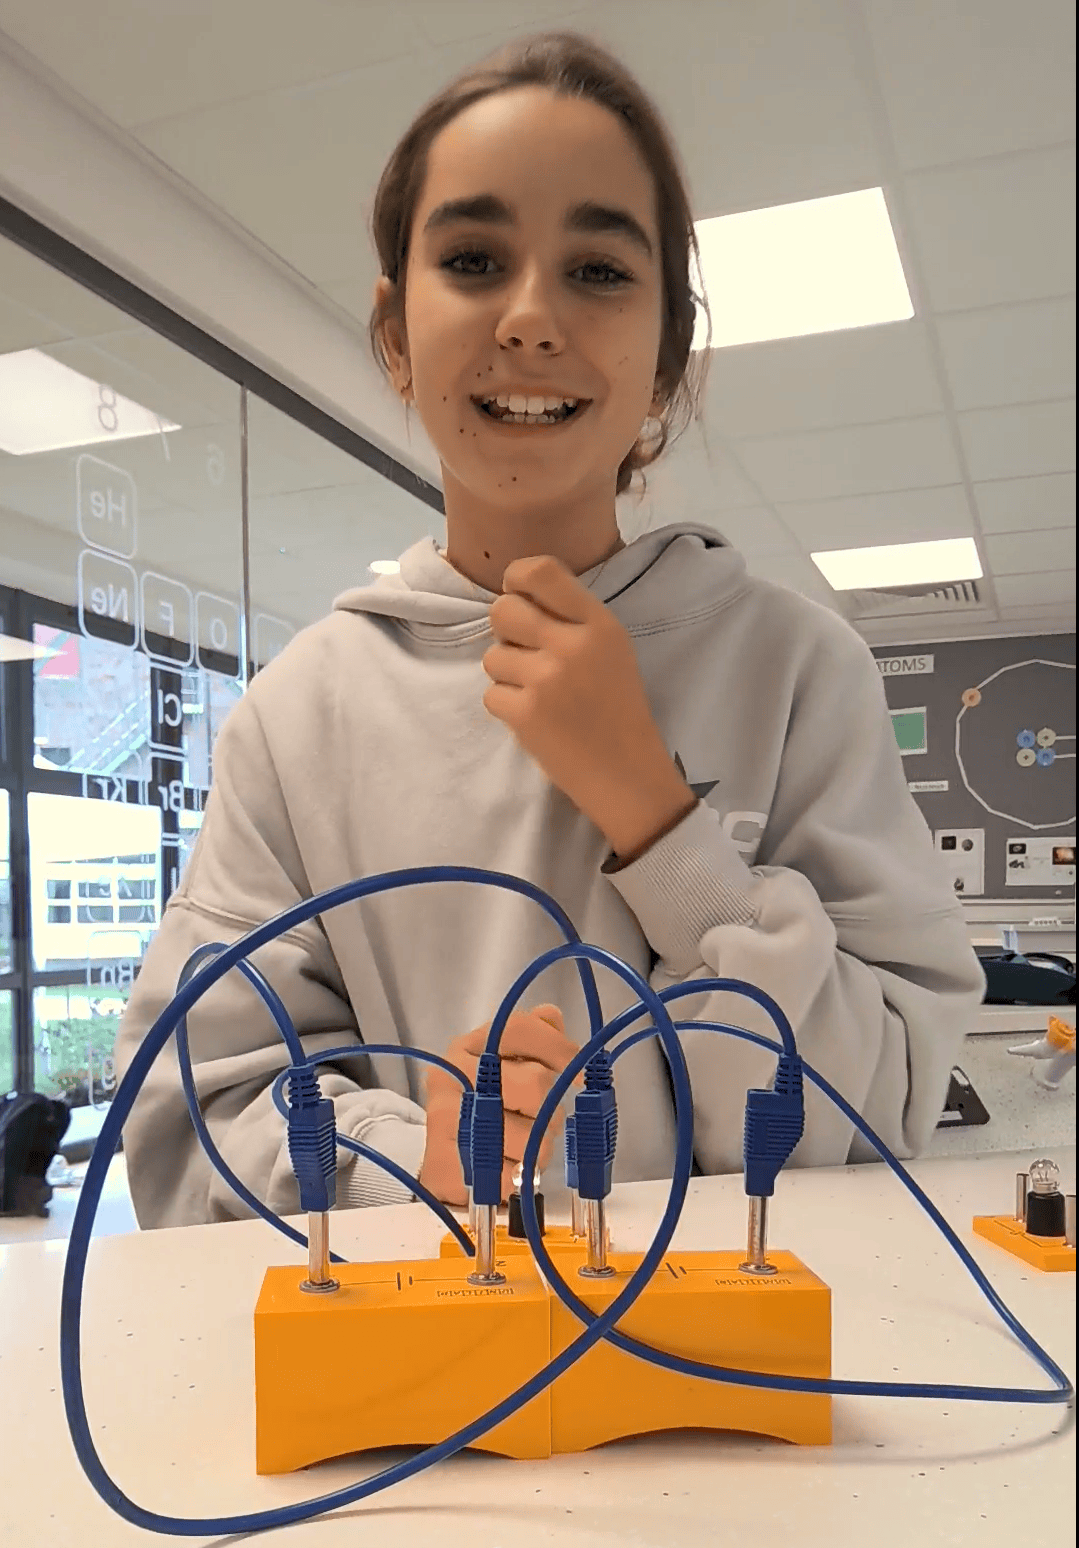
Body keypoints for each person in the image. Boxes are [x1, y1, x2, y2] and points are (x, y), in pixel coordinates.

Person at [114, 31, 986, 1230]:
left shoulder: (798, 672)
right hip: (419, 1395)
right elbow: (185, 1112)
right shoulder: (296, 717)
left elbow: (889, 1108)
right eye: (473, 259)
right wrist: (412, 1151)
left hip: (737, 1391)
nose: (528, 318)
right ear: (393, 332)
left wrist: (657, 820)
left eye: (597, 271)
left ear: (667, 345)